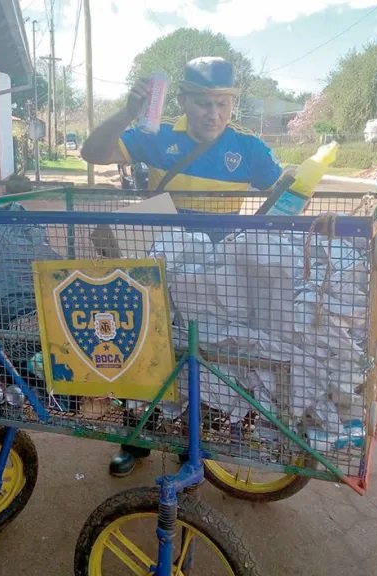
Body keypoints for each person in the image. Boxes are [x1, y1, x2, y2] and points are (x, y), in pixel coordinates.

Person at [81, 56, 286, 477]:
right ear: (182, 101)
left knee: (206, 359)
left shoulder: (249, 148)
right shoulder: (154, 136)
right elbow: (92, 152)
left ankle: (189, 441)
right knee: (144, 349)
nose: (214, 114)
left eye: (223, 104)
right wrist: (126, 113)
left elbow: (284, 196)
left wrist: (297, 187)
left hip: (215, 279)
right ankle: (136, 438)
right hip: (158, 270)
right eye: (203, 103)